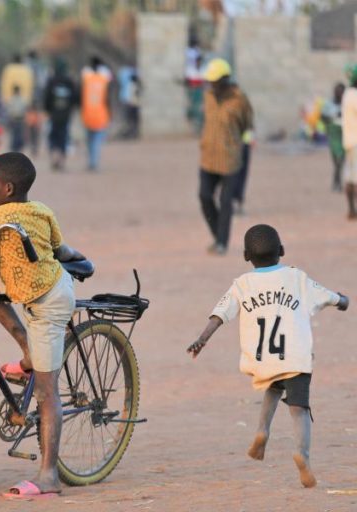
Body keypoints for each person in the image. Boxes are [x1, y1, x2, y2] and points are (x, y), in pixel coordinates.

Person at [0, 152, 85, 498]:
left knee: (45, 391)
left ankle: (49, 476)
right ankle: (26, 351)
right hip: (35, 280)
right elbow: (59, 249)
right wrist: (82, 259)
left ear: (6, 188)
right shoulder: (41, 210)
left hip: (48, 303)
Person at [187, 224, 349, 489]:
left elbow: (220, 314)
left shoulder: (242, 284)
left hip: (263, 360)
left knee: (273, 387)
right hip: (294, 356)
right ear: (282, 251)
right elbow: (328, 296)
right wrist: (342, 300)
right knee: (299, 409)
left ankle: (262, 431)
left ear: (245, 256)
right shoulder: (296, 277)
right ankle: (302, 456)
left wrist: (202, 339)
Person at [199, 58, 253, 255]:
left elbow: (247, 124)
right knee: (204, 196)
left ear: (225, 79)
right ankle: (218, 235)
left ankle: (222, 242)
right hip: (208, 157)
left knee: (225, 200)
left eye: (215, 81)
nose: (212, 85)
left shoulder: (239, 100)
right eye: (210, 81)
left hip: (230, 158)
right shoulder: (208, 97)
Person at [44, 58, 78, 171]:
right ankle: (62, 161)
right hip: (65, 115)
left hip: (54, 115)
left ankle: (54, 158)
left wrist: (47, 110)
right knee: (63, 136)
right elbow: (75, 97)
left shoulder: (51, 81)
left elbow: (47, 97)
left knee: (53, 136)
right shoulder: (69, 81)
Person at [80, 56, 113, 172]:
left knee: (89, 141)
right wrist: (110, 112)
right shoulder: (104, 79)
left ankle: (90, 161)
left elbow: (81, 96)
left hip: (87, 114)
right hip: (100, 114)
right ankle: (94, 162)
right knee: (97, 141)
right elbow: (107, 98)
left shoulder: (86, 78)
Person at [340, 64, 357, 219]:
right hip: (355, 141)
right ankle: (352, 209)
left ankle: (352, 210)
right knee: (354, 177)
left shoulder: (348, 94)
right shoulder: (354, 95)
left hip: (350, 141)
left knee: (351, 176)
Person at [322, 83, 345, 192]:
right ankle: (336, 181)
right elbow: (323, 117)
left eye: (341, 91)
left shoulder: (347, 104)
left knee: (341, 160)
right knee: (336, 160)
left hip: (344, 134)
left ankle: (337, 182)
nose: (339, 93)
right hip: (333, 134)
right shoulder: (329, 104)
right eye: (337, 91)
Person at [5, 85, 28, 152]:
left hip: (20, 119)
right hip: (14, 119)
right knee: (14, 135)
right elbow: (9, 110)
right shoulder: (12, 99)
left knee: (19, 135)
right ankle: (14, 148)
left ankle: (17, 148)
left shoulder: (21, 99)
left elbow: (24, 109)